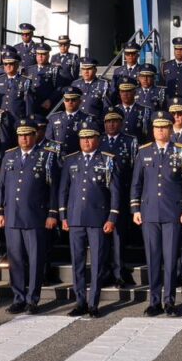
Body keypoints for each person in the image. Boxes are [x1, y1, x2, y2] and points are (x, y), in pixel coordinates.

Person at [131, 111, 182, 317]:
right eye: (157, 127)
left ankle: (169, 301)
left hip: (173, 213)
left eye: (165, 127)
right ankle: (154, 301)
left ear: (171, 129)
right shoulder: (143, 152)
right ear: (153, 130)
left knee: (170, 259)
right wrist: (135, 209)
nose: (161, 131)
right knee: (153, 258)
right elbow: (136, 184)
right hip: (149, 213)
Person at [0, 118, 60, 314]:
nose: (24, 138)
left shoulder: (47, 157)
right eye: (21, 135)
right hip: (12, 216)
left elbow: (54, 189)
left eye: (27, 134)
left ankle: (33, 298)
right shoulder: (10, 156)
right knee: (15, 260)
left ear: (34, 135)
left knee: (35, 259)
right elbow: (2, 186)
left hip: (36, 217)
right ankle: (19, 297)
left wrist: (52, 213)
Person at [60, 123, 119, 318]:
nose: (86, 141)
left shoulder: (107, 161)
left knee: (97, 263)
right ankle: (80, 302)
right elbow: (64, 190)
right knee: (77, 262)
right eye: (83, 138)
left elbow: (115, 192)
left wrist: (112, 217)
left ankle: (94, 303)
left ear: (98, 139)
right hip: (76, 218)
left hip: (98, 219)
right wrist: (63, 216)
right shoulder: (71, 161)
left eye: (90, 137)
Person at [100, 108, 138, 288]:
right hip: (100, 197)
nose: (111, 124)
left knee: (118, 236)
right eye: (108, 121)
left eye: (115, 121)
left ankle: (119, 272)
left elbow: (133, 169)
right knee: (101, 236)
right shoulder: (98, 141)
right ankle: (104, 271)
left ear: (121, 123)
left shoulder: (130, 141)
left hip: (121, 194)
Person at [0, 52, 35, 120]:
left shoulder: (24, 81)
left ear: (17, 64)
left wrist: (28, 120)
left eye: (11, 63)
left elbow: (28, 104)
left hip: (17, 118)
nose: (8, 66)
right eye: (5, 64)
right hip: (1, 119)